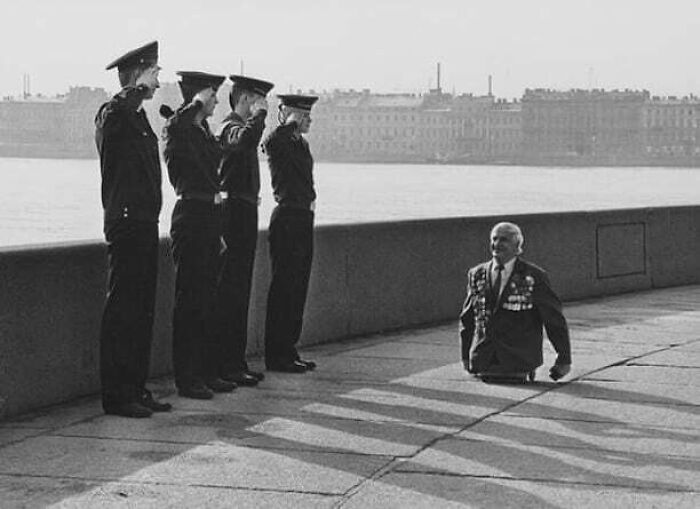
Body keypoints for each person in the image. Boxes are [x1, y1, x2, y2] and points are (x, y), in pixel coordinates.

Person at [95, 40, 171, 417]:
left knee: (142, 310)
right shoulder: (113, 114)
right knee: (123, 309)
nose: (160, 81)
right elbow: (116, 111)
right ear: (138, 75)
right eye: (154, 73)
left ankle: (136, 388)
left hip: (144, 222)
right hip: (125, 223)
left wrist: (137, 92)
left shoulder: (139, 118)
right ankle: (117, 395)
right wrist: (132, 89)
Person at [161, 71, 236, 399]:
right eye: (212, 95)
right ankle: (188, 378)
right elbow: (176, 126)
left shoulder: (202, 132)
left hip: (208, 217)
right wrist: (193, 103)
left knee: (207, 300)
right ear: (199, 97)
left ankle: (205, 372)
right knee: (190, 301)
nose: (217, 101)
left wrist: (218, 229)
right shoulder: (179, 130)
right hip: (190, 217)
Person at [212, 75, 274, 387]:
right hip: (233, 214)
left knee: (240, 291)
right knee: (230, 294)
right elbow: (245, 142)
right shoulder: (229, 127)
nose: (263, 107)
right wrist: (261, 116)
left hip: (245, 211)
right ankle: (225, 363)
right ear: (246, 99)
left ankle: (235, 362)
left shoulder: (241, 127)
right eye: (258, 101)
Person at [459, 222, 572, 383]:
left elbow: (553, 319)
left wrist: (564, 358)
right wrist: (465, 356)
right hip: (484, 361)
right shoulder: (477, 274)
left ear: (517, 245)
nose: (497, 244)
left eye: (503, 240)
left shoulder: (534, 276)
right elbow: (468, 318)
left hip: (519, 361)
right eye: (494, 239)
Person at [262, 94, 319, 373]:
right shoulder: (280, 141)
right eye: (305, 116)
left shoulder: (301, 144)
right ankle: (276, 354)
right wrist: (289, 122)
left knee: (298, 286)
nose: (310, 120)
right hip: (287, 217)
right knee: (283, 287)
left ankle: (289, 349)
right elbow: (270, 143)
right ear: (292, 115)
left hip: (304, 218)